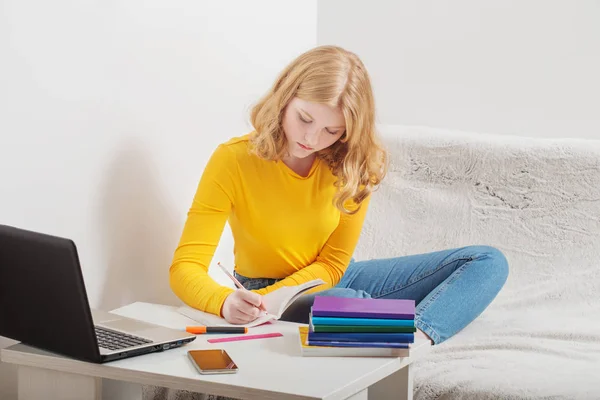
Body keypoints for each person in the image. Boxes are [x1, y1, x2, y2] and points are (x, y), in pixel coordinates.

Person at [169, 45, 509, 346]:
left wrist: (271, 301)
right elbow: (186, 267)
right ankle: (374, 326)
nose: (312, 138)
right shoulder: (233, 159)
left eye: (332, 130)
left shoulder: (353, 166)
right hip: (268, 290)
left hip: (334, 276)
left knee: (487, 261)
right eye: (304, 118)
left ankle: (415, 336)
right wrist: (228, 302)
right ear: (284, 99)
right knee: (344, 301)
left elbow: (333, 265)